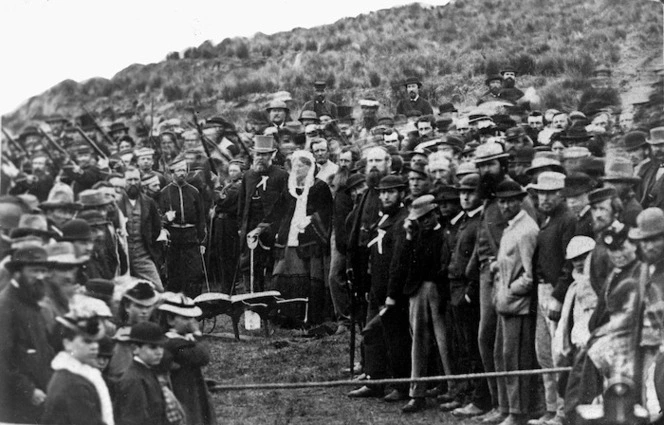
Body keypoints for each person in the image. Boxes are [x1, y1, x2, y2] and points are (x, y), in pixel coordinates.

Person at [348, 175, 411, 401]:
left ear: (402, 194)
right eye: (383, 192)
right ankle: (374, 381)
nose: (385, 196)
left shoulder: (403, 221)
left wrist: (393, 295)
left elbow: (399, 262)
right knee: (372, 335)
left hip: (393, 291)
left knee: (395, 338)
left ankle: (401, 386)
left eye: (391, 192)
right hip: (377, 287)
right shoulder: (384, 218)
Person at [388, 194, 452, 413]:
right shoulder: (416, 235)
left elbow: (443, 266)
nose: (423, 221)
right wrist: (408, 236)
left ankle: (453, 388)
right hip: (417, 291)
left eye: (427, 217)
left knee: (444, 342)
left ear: (435, 214)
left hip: (435, 289)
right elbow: (403, 262)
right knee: (420, 343)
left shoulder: (443, 235)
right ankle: (418, 394)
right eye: (420, 218)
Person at [530, 171, 576, 425]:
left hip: (558, 291)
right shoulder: (547, 219)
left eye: (550, 193)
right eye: (541, 193)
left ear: (561, 194)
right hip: (542, 288)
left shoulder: (567, 219)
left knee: (559, 354)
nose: (545, 198)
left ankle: (562, 411)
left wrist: (558, 295)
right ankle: (551, 408)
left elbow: (570, 263)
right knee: (544, 353)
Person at [492, 180, 539, 425]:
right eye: (502, 201)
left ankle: (518, 412)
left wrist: (509, 292)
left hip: (517, 306)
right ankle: (506, 407)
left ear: (520, 201)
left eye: (511, 200)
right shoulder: (512, 227)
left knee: (516, 359)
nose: (506, 205)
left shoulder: (527, 229)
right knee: (503, 356)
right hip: (505, 304)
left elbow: (529, 276)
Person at [269, 150, 333, 326]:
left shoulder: (320, 187)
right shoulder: (288, 188)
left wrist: (311, 220)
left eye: (301, 165)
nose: (297, 169)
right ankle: (285, 316)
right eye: (295, 165)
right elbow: (278, 212)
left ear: (310, 167)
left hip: (309, 240)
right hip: (288, 238)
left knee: (307, 277)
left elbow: (327, 213)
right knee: (281, 273)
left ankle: (309, 317)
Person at [0, 246, 54, 423]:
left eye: (43, 271)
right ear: (17, 273)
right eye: (34, 271)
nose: (40, 276)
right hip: (18, 400)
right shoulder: (6, 305)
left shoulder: (30, 301)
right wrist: (28, 389)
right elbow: (3, 358)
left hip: (39, 395)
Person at [41, 309, 112, 425]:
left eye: (96, 341)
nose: (95, 346)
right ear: (67, 344)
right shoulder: (73, 384)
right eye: (87, 341)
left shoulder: (75, 376)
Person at [237, 135, 289, 293]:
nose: (260, 158)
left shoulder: (281, 175)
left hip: (272, 229)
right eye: (257, 154)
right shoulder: (248, 176)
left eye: (264, 154)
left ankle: (270, 305)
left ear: (272, 155)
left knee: (270, 264)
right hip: (250, 228)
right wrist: (241, 227)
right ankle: (251, 300)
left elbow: (285, 205)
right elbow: (242, 203)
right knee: (249, 265)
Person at [158, 292, 217, 425]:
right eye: (185, 318)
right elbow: (202, 356)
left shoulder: (185, 339)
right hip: (181, 393)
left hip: (194, 391)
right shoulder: (172, 342)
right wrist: (197, 333)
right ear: (170, 319)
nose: (191, 322)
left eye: (192, 318)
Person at [160, 158, 206, 296]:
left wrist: (203, 240)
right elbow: (159, 215)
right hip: (173, 236)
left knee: (194, 272)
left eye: (184, 170)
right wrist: (166, 219)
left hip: (190, 235)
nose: (181, 173)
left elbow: (201, 217)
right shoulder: (164, 192)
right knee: (174, 272)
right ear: (172, 172)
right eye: (178, 170)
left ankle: (194, 302)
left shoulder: (194, 191)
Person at [119, 166, 164, 291]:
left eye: (136, 179)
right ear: (124, 181)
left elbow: (156, 228)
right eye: (129, 180)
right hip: (121, 256)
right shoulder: (117, 202)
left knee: (158, 289)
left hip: (142, 255)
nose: (133, 183)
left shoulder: (148, 202)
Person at [114, 321, 168, 425]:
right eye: (153, 347)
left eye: (161, 346)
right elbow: (132, 420)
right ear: (135, 348)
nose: (159, 352)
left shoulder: (146, 371)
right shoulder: (134, 379)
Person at [107, 280, 160, 383]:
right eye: (139, 306)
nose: (144, 312)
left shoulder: (153, 330)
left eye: (148, 307)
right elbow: (119, 374)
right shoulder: (123, 336)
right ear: (127, 306)